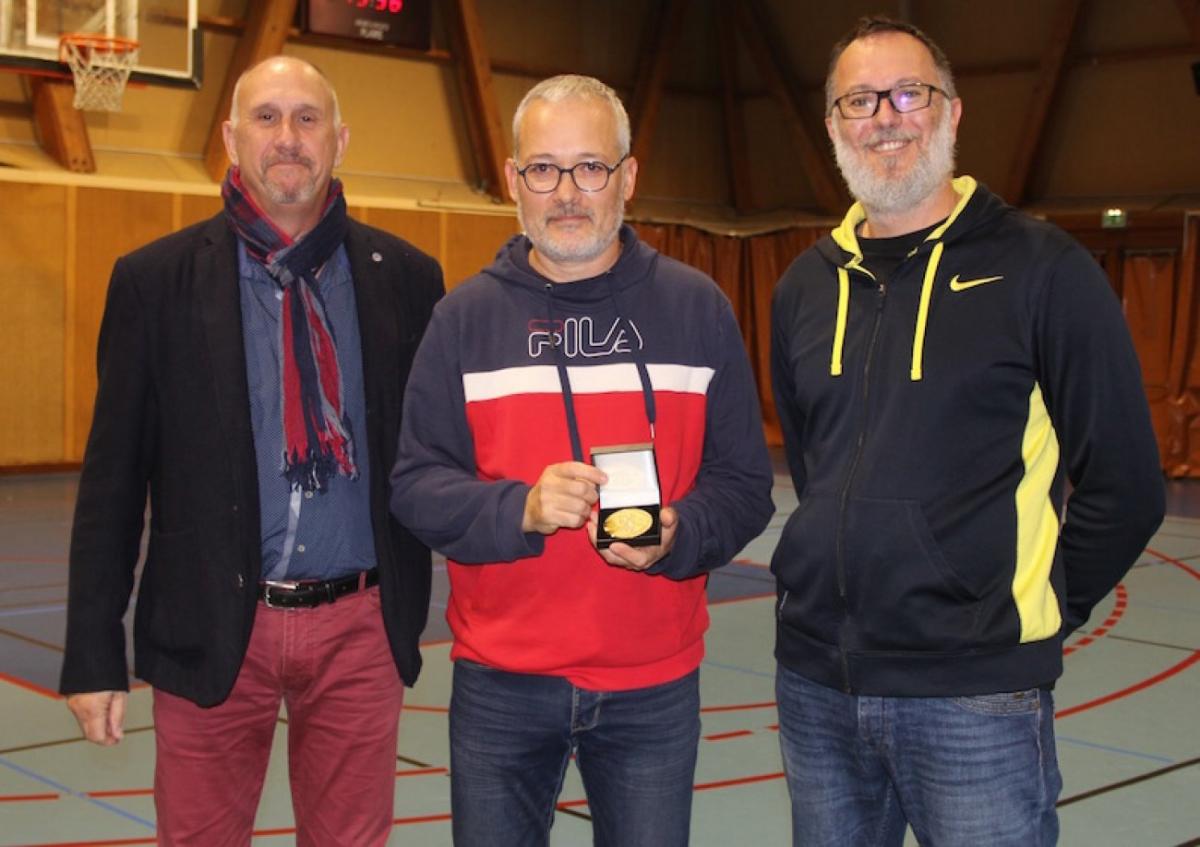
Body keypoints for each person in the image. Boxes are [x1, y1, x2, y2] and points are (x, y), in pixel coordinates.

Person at [770, 16, 1165, 846]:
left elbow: (1126, 484)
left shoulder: (1043, 269)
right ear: (834, 125)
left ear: (952, 113)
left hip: (976, 698)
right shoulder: (805, 286)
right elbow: (817, 467)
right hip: (816, 685)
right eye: (859, 100)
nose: (885, 116)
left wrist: (1030, 607)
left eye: (910, 93)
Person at [59, 56, 443, 845]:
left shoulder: (407, 278)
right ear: (231, 139)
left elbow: (434, 457)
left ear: (340, 139)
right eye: (266, 118)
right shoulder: (155, 280)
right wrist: (93, 651)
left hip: (359, 626)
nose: (288, 137)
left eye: (307, 119)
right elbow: (111, 482)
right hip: (209, 618)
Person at [391, 74, 774, 846]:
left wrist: (680, 533)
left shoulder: (698, 308)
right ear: (513, 180)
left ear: (628, 176)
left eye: (591, 167)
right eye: (544, 168)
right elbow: (415, 485)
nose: (567, 192)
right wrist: (519, 508)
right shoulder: (461, 319)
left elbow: (745, 484)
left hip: (654, 685)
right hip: (501, 683)